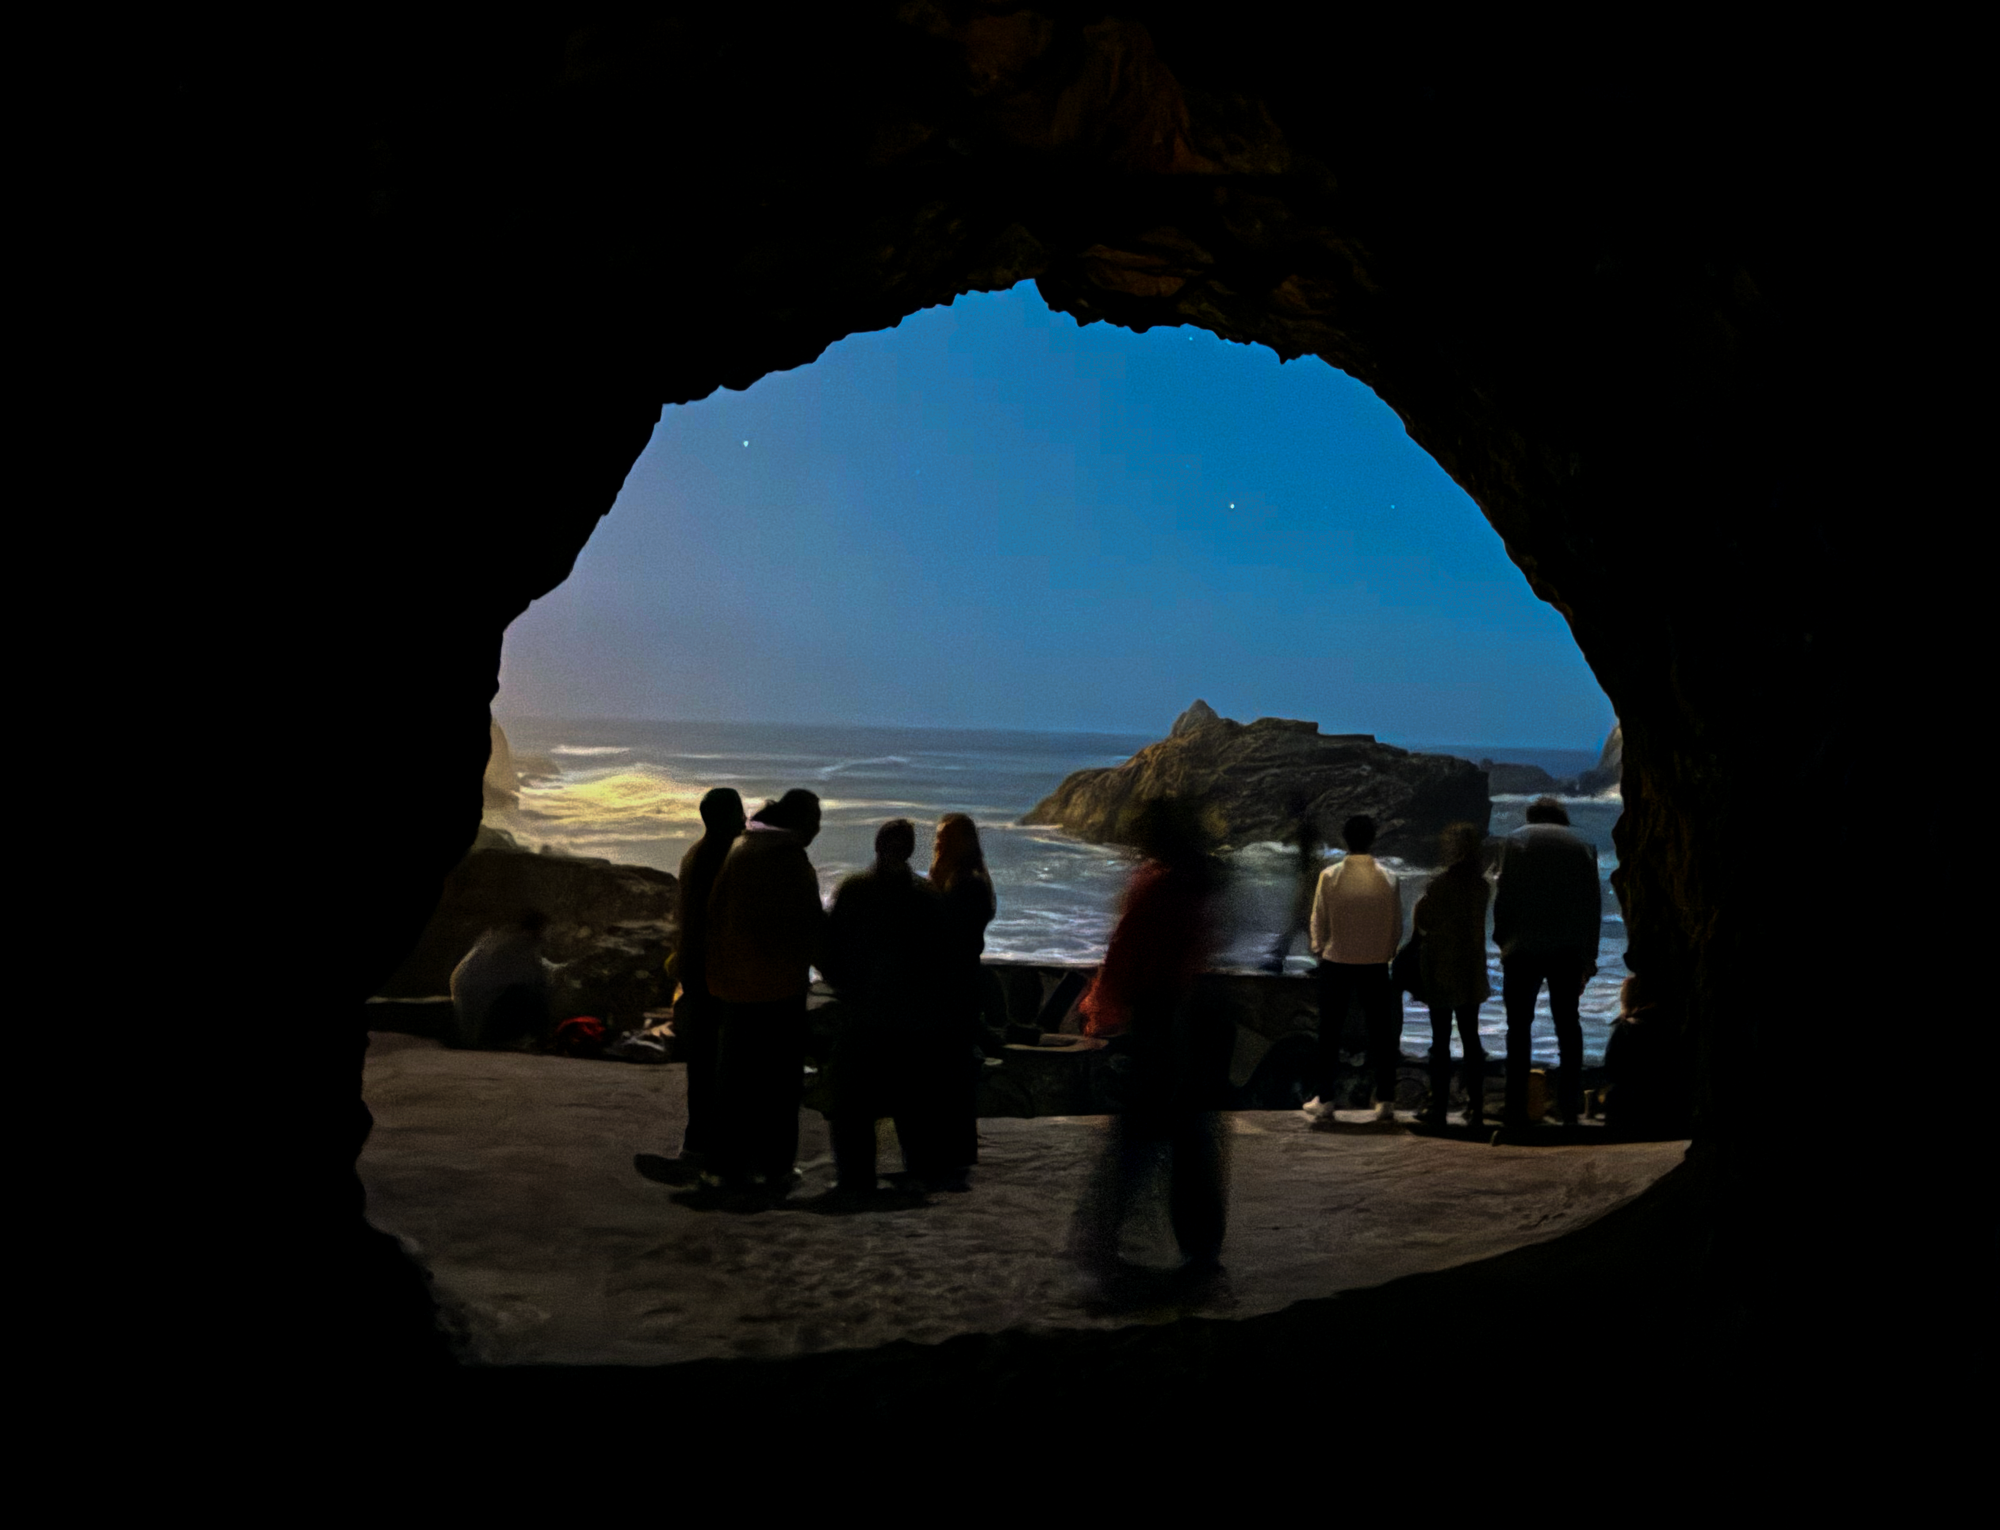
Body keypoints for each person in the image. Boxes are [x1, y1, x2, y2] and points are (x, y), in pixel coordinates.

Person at [1069, 797, 1232, 1295]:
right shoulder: (1201, 881)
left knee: (1140, 1133)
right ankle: (1200, 1248)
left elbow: (1126, 952)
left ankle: (1102, 1238)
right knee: (1190, 1137)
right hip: (1196, 1018)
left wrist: (1101, 1006)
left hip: (1160, 1020)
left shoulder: (1158, 885)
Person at [705, 788, 827, 1193]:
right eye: (815, 821)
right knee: (779, 1084)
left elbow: (715, 913)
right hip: (780, 988)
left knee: (733, 1082)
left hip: (735, 986)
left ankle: (724, 1166)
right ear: (800, 823)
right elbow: (810, 925)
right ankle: (776, 1167)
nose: (818, 830)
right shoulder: (791, 861)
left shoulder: (740, 851)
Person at [820, 818, 947, 1197]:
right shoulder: (926, 896)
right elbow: (941, 959)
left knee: (852, 1101)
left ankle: (855, 1178)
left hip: (862, 1011)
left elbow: (830, 946)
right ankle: (920, 1171)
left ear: (877, 846)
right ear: (910, 851)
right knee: (913, 1099)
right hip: (912, 1015)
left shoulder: (854, 889)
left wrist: (841, 986)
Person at [1492, 795, 1601, 1127]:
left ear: (1531, 816)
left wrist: (1502, 940)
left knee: (1518, 1027)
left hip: (1522, 947)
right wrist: (1589, 958)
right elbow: (1591, 905)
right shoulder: (1583, 845)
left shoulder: (1514, 841)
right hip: (1567, 949)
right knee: (1568, 1025)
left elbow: (1504, 896)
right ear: (1561, 817)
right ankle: (1569, 1108)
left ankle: (1516, 1108)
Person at [1301, 814, 1405, 1123]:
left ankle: (1325, 1098)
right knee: (1381, 1033)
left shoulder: (1329, 876)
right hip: (1375, 964)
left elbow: (1318, 919)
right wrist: (1386, 953)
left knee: (1329, 1032)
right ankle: (1385, 1099)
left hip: (1337, 961)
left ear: (1345, 839)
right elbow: (1396, 925)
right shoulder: (1389, 878)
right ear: (1373, 839)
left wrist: (1319, 950)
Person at [921, 812, 996, 1190]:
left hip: (954, 989)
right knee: (954, 1071)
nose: (937, 845)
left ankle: (950, 1155)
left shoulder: (965, 885)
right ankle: (956, 1152)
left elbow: (947, 938)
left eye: (944, 839)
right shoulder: (969, 881)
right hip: (960, 987)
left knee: (950, 1072)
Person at [671, 787, 746, 1164]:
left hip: (695, 967)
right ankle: (717, 1144)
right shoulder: (726, 858)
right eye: (739, 813)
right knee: (724, 1062)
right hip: (719, 971)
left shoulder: (695, 854)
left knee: (702, 1062)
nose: (745, 820)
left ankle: (697, 1140)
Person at [1411, 823, 1492, 1128]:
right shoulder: (1482, 886)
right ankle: (1476, 1108)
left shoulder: (1439, 884)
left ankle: (1439, 1108)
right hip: (1471, 971)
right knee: (1471, 1040)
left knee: (1440, 1041)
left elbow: (1425, 922)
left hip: (1442, 969)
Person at [449, 908, 553, 1048]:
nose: (548, 935)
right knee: (537, 991)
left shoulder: (504, 937)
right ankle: (537, 1039)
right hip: (485, 997)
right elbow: (533, 975)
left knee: (535, 989)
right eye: (547, 929)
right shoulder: (523, 942)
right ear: (539, 928)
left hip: (470, 991)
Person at [1264, 801, 1324, 972]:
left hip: (1308, 883)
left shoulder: (1304, 833)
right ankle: (1321, 963)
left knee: (1300, 926)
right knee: (1303, 928)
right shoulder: (1308, 832)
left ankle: (1278, 959)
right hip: (1310, 881)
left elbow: (1305, 858)